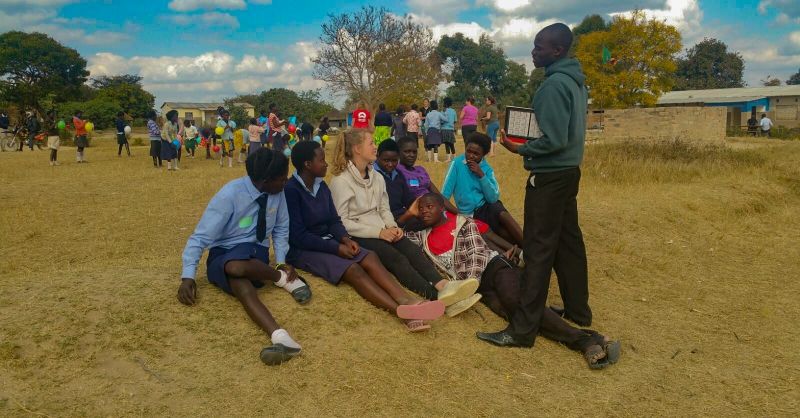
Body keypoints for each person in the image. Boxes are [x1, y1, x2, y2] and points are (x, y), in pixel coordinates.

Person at [411, 193, 620, 369]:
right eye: (420, 209)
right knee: (517, 315)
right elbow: (398, 237)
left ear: (442, 207)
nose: (424, 211)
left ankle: (584, 342)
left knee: (515, 301)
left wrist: (467, 285)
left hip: (493, 268)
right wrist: (406, 214)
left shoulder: (463, 223)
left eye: (430, 206)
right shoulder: (421, 237)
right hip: (478, 289)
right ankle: (593, 339)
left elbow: (476, 254)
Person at [485, 22, 594, 348]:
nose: (533, 52)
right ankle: (578, 310)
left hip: (547, 178)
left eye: (539, 47)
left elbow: (554, 139)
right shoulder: (576, 82)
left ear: (557, 51)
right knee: (569, 243)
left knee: (538, 250)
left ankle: (522, 330)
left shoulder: (551, 87)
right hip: (568, 173)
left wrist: (521, 148)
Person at [285, 141, 445, 331]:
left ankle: (406, 299)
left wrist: (344, 239)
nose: (326, 163)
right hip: (304, 249)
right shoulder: (291, 190)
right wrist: (336, 247)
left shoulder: (321, 187)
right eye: (321, 160)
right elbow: (299, 236)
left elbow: (334, 220)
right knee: (354, 269)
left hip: (330, 238)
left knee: (370, 256)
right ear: (307, 165)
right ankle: (400, 312)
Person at [178, 148, 312, 365]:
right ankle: (282, 336)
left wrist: (281, 260)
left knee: (237, 270)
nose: (285, 182)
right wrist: (187, 276)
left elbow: (280, 229)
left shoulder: (278, 194)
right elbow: (200, 237)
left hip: (254, 252)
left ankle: (279, 281)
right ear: (264, 180)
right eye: (281, 179)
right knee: (237, 275)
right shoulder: (229, 195)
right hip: (223, 254)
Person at [328, 128, 480, 317]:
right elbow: (341, 222)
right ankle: (437, 298)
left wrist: (392, 226)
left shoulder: (376, 177)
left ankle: (444, 287)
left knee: (412, 250)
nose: (375, 147)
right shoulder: (341, 182)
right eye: (371, 143)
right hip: (358, 234)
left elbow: (384, 208)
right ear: (358, 149)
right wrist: (379, 233)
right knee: (397, 259)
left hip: (382, 228)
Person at [441, 133, 523, 247]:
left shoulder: (486, 168)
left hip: (485, 207)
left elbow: (493, 198)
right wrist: (454, 216)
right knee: (501, 231)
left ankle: (528, 248)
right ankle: (523, 252)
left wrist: (481, 175)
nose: (471, 156)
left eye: (476, 154)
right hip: (468, 214)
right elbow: (444, 194)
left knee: (501, 213)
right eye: (468, 151)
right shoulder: (456, 164)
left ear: (483, 155)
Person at [395, 136, 458, 213]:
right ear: (398, 153)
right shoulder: (397, 172)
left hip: (436, 210)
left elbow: (438, 196)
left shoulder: (420, 171)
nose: (411, 155)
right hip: (420, 213)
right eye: (407, 151)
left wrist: (458, 213)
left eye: (414, 152)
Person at [374, 140, 420, 230]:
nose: (390, 164)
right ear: (377, 155)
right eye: (386, 160)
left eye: (394, 161)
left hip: (401, 214)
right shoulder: (372, 175)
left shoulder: (398, 174)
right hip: (382, 219)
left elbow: (408, 199)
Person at [441, 98, 457, 162]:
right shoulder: (453, 111)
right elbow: (455, 120)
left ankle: (448, 158)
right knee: (451, 143)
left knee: (446, 144)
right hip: (451, 129)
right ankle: (454, 156)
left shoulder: (443, 111)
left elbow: (441, 121)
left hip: (444, 129)